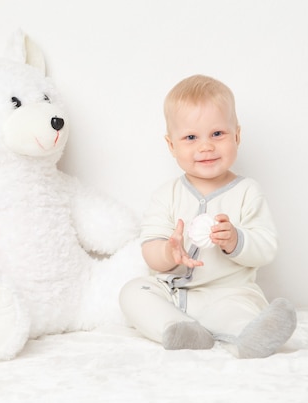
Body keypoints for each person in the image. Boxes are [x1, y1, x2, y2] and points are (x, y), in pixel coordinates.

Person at [119, 74, 297, 358]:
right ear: (171, 145)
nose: (205, 147)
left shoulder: (247, 191)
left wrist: (236, 240)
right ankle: (177, 327)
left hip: (228, 292)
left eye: (217, 134)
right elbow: (149, 251)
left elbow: (265, 248)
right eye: (191, 137)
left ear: (237, 135)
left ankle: (252, 335)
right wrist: (168, 251)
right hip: (173, 295)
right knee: (132, 292)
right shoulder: (167, 194)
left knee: (240, 309)